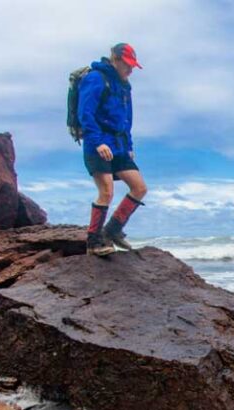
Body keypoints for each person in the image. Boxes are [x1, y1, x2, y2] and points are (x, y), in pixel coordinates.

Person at [79, 42, 148, 256]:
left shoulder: (124, 85)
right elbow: (85, 113)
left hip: (119, 146)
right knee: (106, 191)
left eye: (133, 66)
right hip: (97, 143)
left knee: (139, 188)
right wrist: (97, 141)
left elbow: (127, 119)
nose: (130, 70)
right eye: (127, 65)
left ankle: (112, 231)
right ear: (115, 59)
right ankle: (93, 242)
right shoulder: (95, 79)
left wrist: (128, 146)